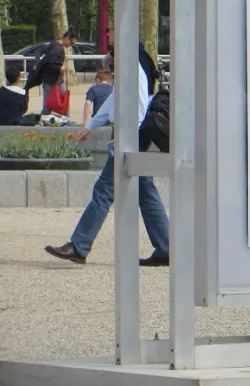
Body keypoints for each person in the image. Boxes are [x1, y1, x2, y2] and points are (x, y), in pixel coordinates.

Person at [44, 42, 170, 266]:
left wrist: (126, 136)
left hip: (131, 132)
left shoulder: (132, 59)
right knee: (145, 191)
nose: (108, 35)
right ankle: (166, 247)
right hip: (133, 132)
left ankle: (79, 245)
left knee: (104, 189)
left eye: (112, 30)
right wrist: (91, 126)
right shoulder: (130, 57)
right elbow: (116, 98)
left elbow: (139, 100)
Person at [25, 27, 77, 114]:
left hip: (54, 79)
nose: (71, 45)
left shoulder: (53, 44)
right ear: (67, 38)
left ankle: (66, 119)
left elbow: (39, 51)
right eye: (72, 43)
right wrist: (59, 68)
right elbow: (48, 62)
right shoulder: (57, 48)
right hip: (52, 79)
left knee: (55, 104)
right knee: (52, 105)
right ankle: (65, 120)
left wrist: (38, 63)